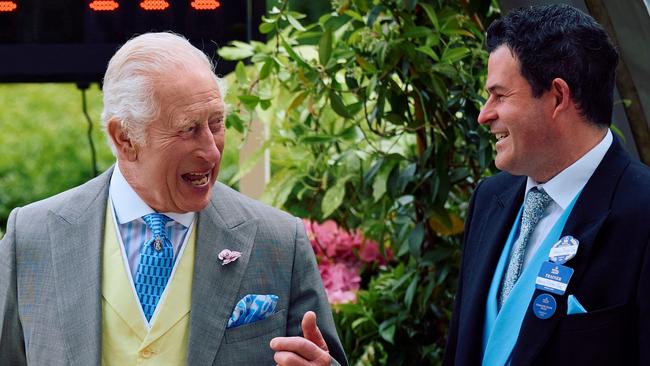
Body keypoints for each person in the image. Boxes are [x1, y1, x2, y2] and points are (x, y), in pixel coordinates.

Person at [0, 32, 347, 366]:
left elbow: (323, 357)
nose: (212, 151)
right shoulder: (30, 237)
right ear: (125, 139)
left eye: (216, 123)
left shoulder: (279, 241)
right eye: (188, 129)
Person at [444, 4, 650, 365]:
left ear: (557, 96)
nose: (484, 114)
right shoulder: (489, 199)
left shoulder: (644, 210)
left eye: (500, 95)